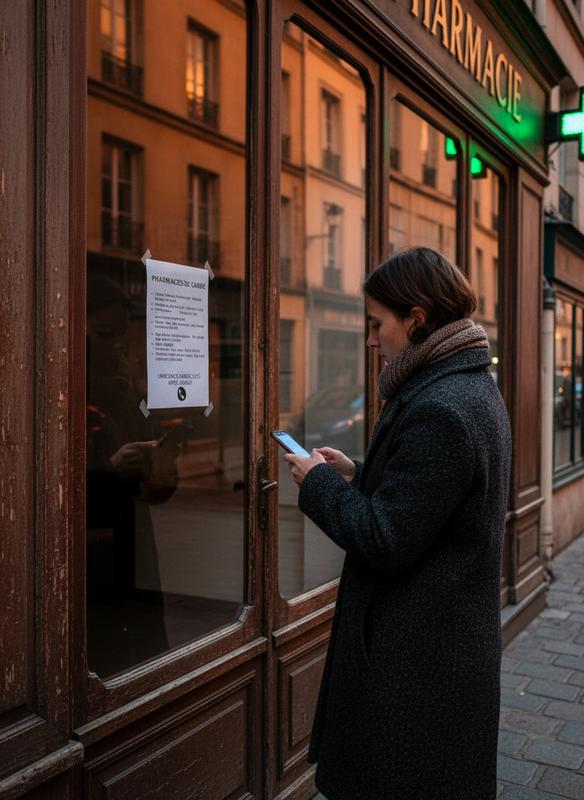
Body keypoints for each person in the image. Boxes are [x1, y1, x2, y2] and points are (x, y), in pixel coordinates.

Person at [284, 247, 512, 800]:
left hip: (417, 663)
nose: (370, 339)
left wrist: (318, 485)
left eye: (377, 323)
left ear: (416, 320)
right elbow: (434, 499)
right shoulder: (467, 384)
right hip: (441, 649)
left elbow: (387, 539)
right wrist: (359, 474)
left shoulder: (442, 407)